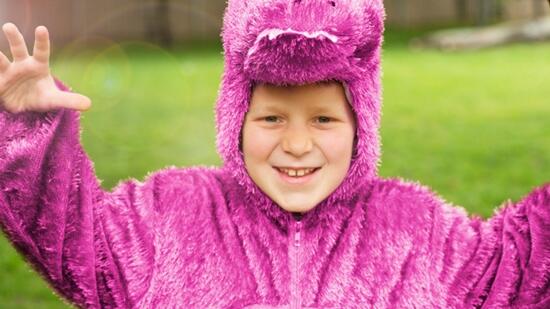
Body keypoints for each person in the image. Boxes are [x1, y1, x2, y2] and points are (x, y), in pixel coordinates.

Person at [0, 0, 548, 308]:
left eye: (325, 119)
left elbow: (519, 266)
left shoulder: (418, 233)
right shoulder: (168, 219)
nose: (297, 144)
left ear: (361, 127)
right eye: (271, 118)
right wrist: (29, 128)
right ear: (236, 118)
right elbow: (73, 237)